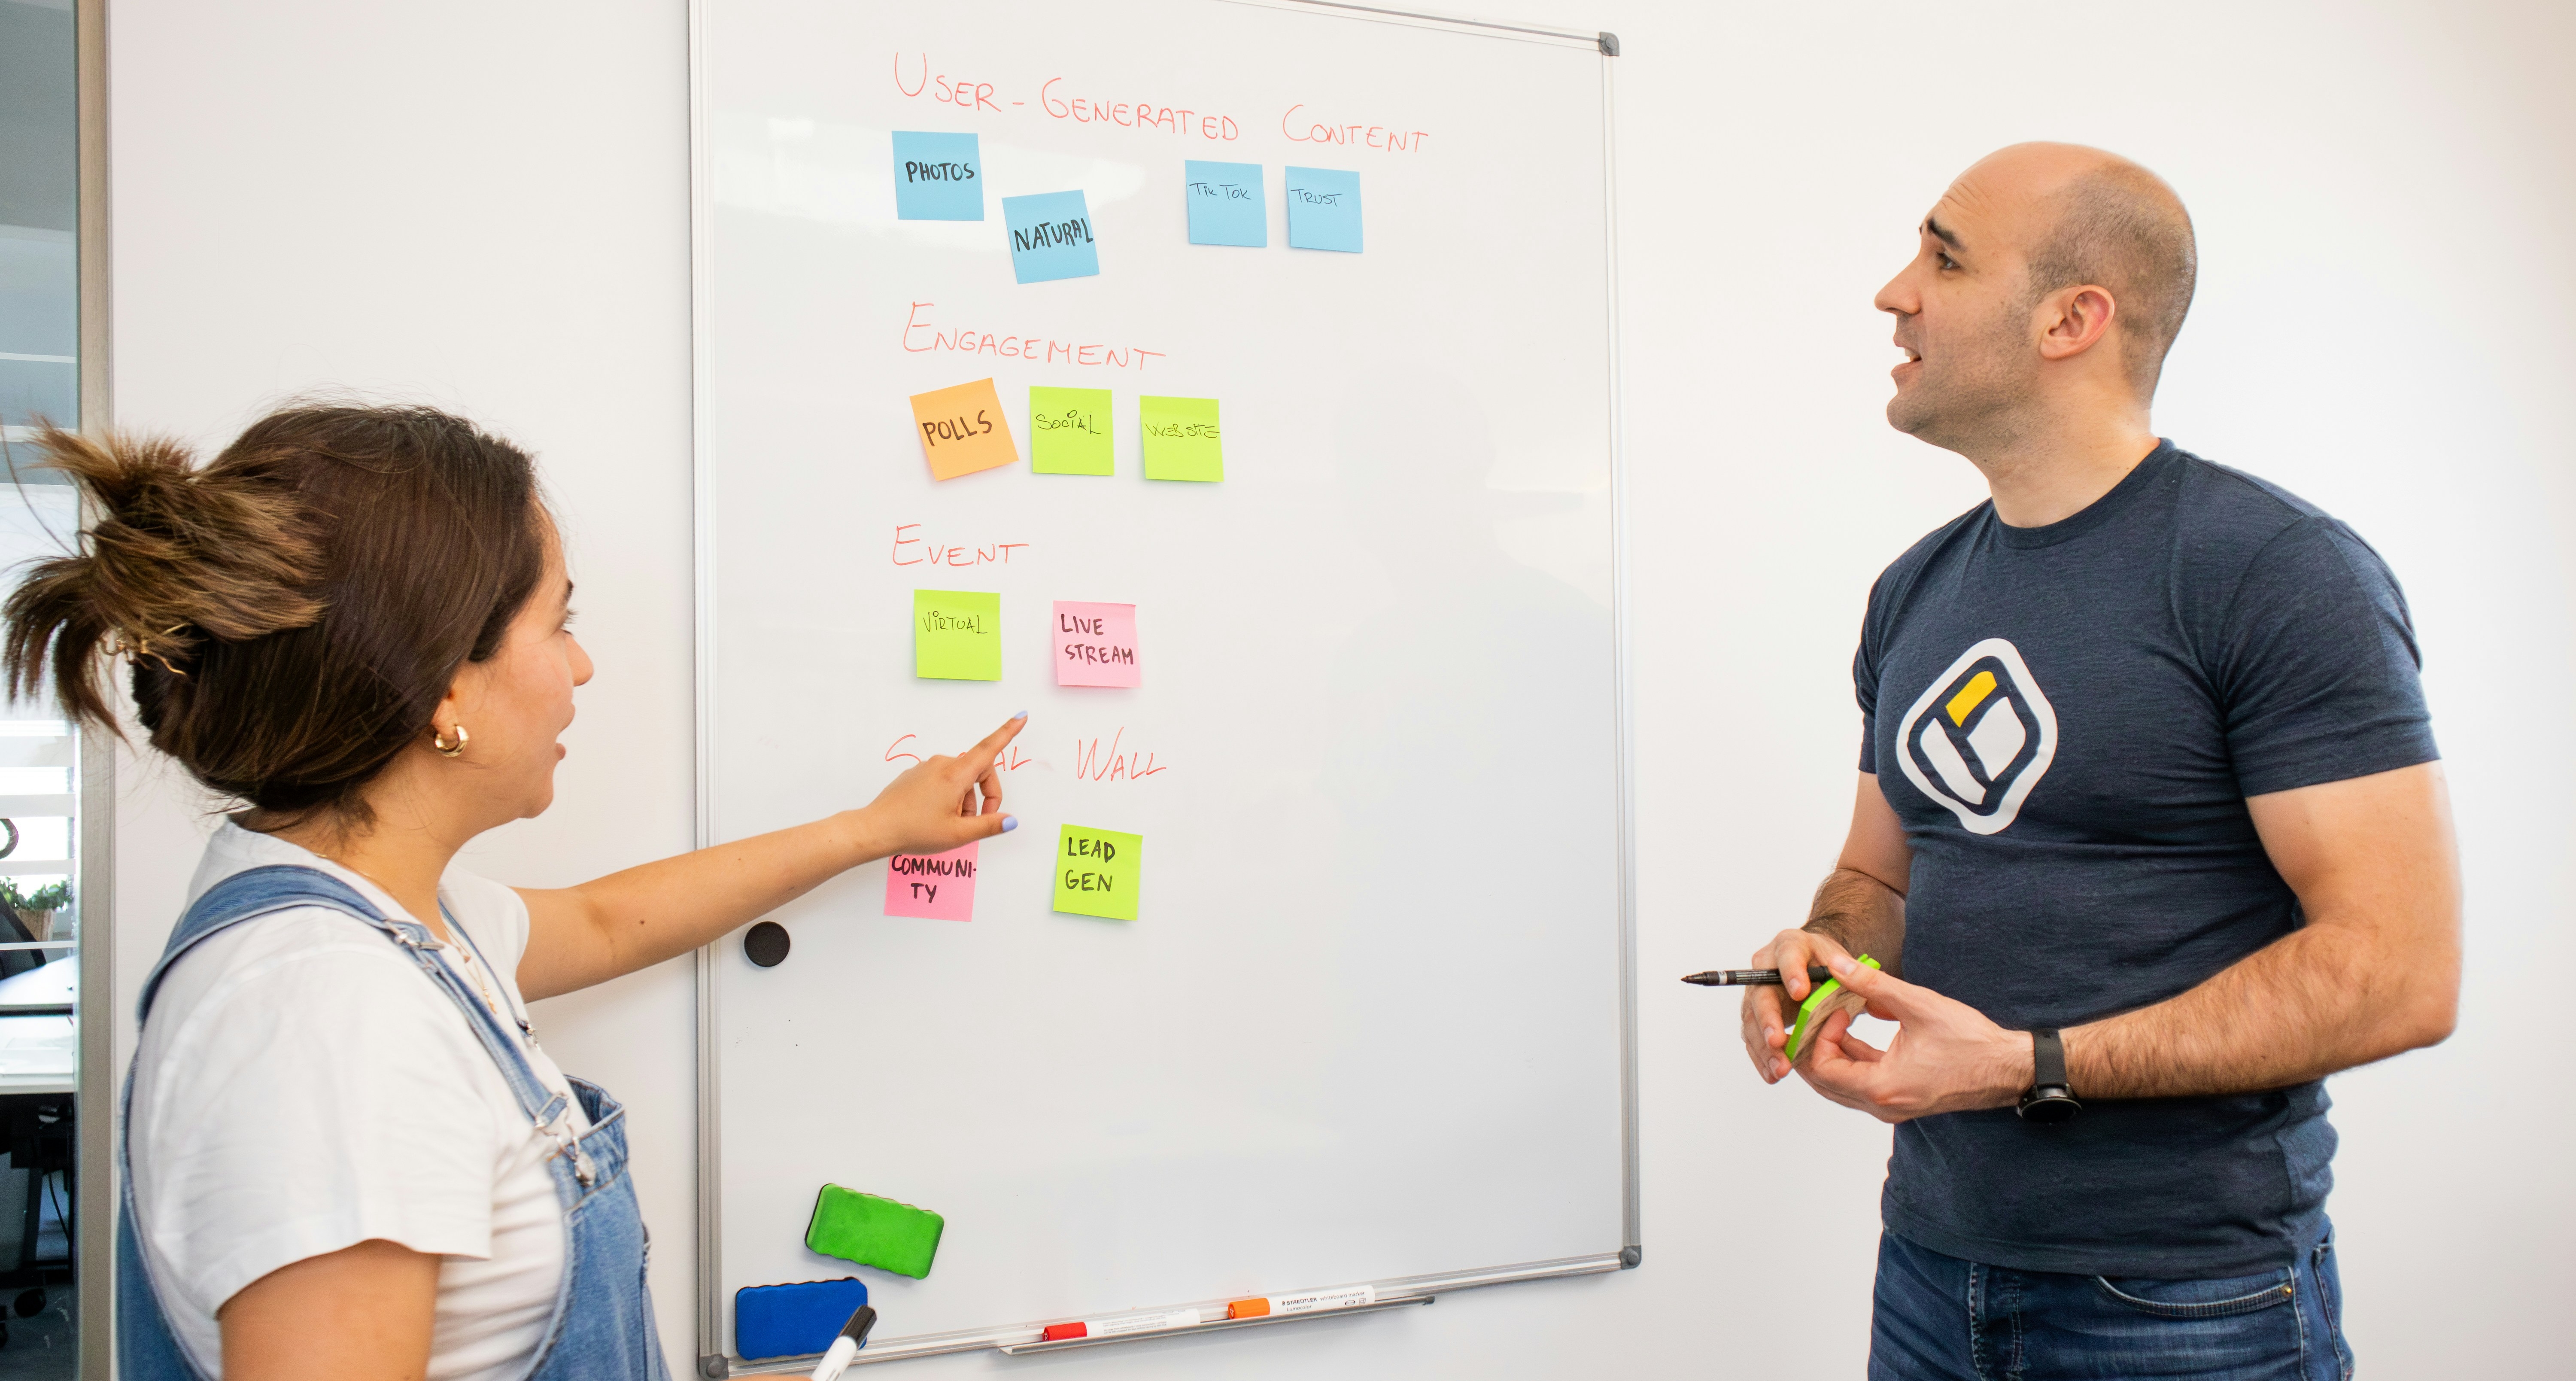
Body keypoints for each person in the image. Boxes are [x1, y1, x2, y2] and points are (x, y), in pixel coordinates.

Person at [3, 408, 1024, 1381]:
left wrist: (872, 830)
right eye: (559, 621)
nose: (582, 665)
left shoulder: (381, 927)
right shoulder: (324, 1016)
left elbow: (606, 922)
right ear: (446, 687)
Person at [1737, 144, 2459, 1379]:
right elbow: (1881, 876)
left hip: (2186, 1303)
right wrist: (1824, 955)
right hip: (1931, 1270)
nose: (1894, 293)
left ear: (2072, 320)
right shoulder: (1915, 590)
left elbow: (2399, 975)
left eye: (1943, 260)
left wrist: (2026, 1068)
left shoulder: (2273, 573)